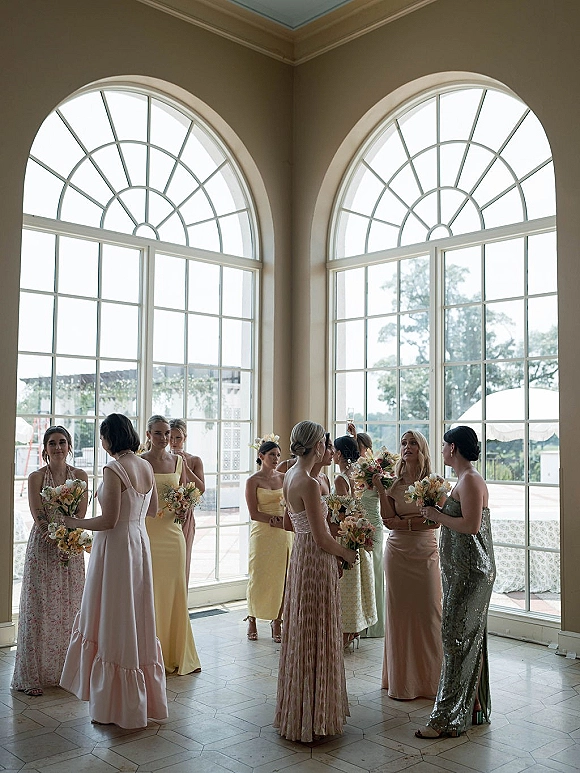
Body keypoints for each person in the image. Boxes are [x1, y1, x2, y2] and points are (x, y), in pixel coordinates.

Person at [59, 414, 168, 729]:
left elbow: (108, 520)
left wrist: (74, 522)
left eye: (102, 437)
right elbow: (152, 509)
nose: (102, 442)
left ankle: (113, 706)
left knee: (115, 616)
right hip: (139, 544)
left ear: (109, 439)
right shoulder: (145, 466)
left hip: (117, 548)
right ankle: (139, 700)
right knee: (135, 615)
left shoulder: (114, 469)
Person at [274, 421, 356, 743]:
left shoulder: (289, 475)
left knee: (303, 629)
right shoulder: (308, 482)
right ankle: (315, 717)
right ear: (318, 445)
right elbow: (322, 539)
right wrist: (346, 553)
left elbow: (288, 523)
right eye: (324, 442)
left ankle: (299, 712)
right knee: (318, 629)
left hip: (300, 557)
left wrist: (314, 530)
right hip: (316, 560)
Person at [415, 425, 496, 739]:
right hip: (460, 572)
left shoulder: (471, 480)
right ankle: (470, 705)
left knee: (455, 640)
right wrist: (436, 511)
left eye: (444, 444)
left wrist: (437, 516)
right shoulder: (463, 480)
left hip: (471, 573)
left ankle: (445, 720)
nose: (442, 449)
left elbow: (471, 526)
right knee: (463, 640)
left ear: (453, 448)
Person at [11, 426, 88, 697]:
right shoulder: (36, 477)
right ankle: (32, 676)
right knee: (39, 608)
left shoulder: (80, 476)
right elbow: (38, 513)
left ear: (69, 446)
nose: (58, 447)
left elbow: (80, 513)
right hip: (43, 547)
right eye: (52, 443)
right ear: (45, 448)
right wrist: (54, 538)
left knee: (70, 606)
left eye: (62, 442)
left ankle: (69, 673)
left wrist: (68, 541)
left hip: (71, 546)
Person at [373, 430, 442, 699]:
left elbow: (434, 522)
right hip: (397, 553)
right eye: (403, 443)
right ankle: (401, 683)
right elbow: (387, 520)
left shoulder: (433, 482)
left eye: (413, 443)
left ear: (422, 449)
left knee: (429, 613)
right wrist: (381, 491)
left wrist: (404, 524)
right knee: (399, 616)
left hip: (425, 551)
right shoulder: (393, 484)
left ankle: (431, 682)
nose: (407, 447)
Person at [142, 415, 201, 675]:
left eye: (167, 433)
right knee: (152, 590)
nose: (164, 438)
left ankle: (177, 652)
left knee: (176, 590)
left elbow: (191, 491)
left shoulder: (178, 462)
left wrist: (185, 505)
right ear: (148, 435)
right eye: (158, 433)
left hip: (173, 533)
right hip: (148, 532)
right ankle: (151, 654)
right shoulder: (141, 462)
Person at [244, 438, 292, 642]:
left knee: (282, 577)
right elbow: (253, 513)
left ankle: (277, 621)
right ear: (261, 456)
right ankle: (252, 618)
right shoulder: (252, 481)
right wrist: (275, 520)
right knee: (258, 576)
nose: (276, 458)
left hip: (284, 534)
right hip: (262, 533)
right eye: (272, 454)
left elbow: (291, 505)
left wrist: (285, 521)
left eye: (278, 455)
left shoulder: (284, 478)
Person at [333, 435, 377, 649]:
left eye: (334, 450)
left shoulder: (340, 479)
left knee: (346, 585)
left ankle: (345, 633)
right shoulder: (357, 474)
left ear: (339, 453)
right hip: (358, 529)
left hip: (346, 532)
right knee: (355, 582)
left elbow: (344, 511)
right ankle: (354, 630)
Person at [346, 428, 385, 639]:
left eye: (359, 448)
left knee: (375, 572)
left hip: (374, 525)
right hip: (355, 526)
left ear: (368, 449)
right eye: (354, 448)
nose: (356, 452)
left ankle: (375, 625)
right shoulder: (351, 472)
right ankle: (359, 622)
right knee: (359, 574)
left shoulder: (375, 470)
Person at [169, 418, 205, 587]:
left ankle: (181, 599)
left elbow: (201, 489)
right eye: (170, 437)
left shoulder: (195, 460)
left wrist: (185, 467)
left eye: (178, 438)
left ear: (185, 438)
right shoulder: (162, 460)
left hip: (185, 516)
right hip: (164, 515)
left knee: (183, 560)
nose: (174, 442)